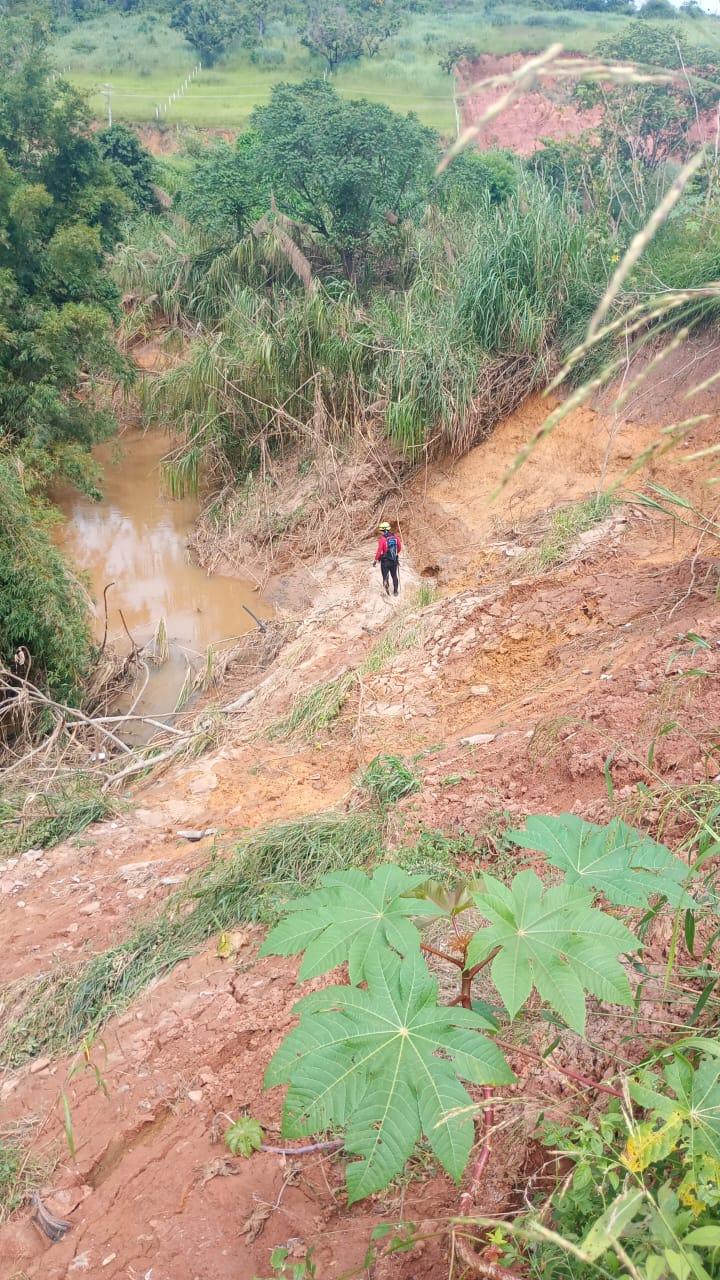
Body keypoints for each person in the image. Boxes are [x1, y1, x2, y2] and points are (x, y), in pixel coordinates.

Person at [373, 521, 402, 596]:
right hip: (394, 560)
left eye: (381, 531)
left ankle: (387, 592)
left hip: (385, 562)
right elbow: (399, 548)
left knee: (385, 576)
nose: (381, 532)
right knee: (394, 575)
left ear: (384, 530)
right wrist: (394, 555)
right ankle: (395, 591)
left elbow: (379, 550)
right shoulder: (395, 537)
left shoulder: (382, 539)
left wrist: (376, 559)